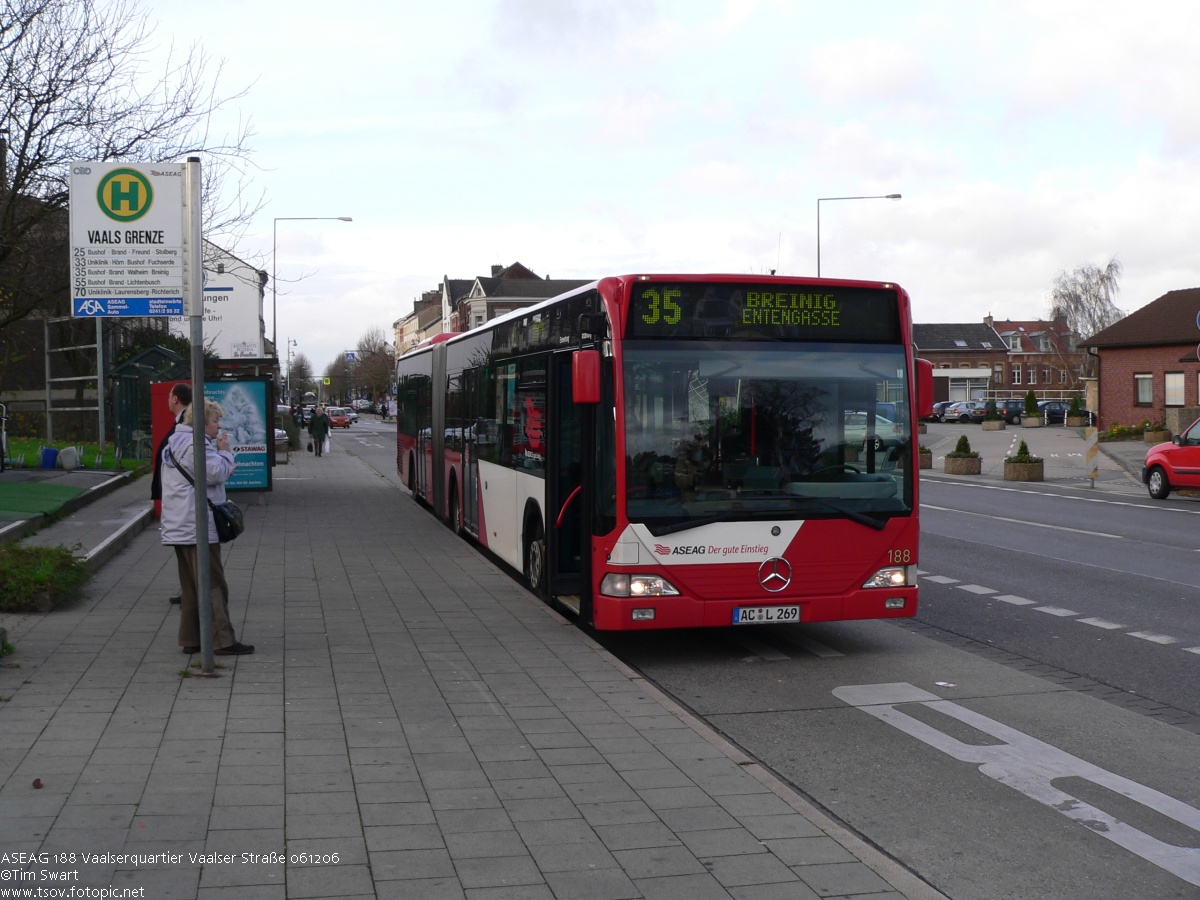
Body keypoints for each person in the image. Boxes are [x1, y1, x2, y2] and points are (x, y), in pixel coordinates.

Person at [161, 399, 254, 656]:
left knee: (192, 586)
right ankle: (222, 641)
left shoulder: (177, 442)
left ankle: (191, 638)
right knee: (213, 584)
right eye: (215, 421)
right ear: (201, 422)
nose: (219, 425)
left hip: (181, 525)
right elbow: (216, 473)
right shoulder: (195, 445)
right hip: (196, 526)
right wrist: (225, 451)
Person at [152, 382, 192, 606]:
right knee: (183, 552)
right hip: (179, 499)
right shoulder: (182, 421)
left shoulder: (187, 421)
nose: (167, 400)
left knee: (188, 552)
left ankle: (192, 593)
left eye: (169, 396)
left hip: (183, 502)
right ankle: (188, 591)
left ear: (176, 399)